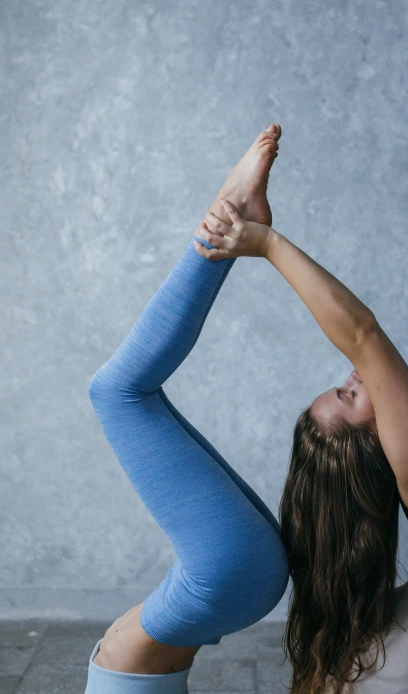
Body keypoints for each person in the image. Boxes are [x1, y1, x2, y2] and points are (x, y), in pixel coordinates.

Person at [195, 144, 408, 694]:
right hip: (401, 670)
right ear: (377, 439)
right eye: (348, 397)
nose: (352, 378)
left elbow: (367, 350)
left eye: (341, 388)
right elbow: (363, 335)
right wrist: (266, 243)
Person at [85, 125, 289, 694]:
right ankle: (224, 225)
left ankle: (227, 223)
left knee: (126, 393)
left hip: (227, 582)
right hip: (222, 581)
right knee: (119, 392)